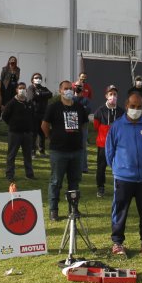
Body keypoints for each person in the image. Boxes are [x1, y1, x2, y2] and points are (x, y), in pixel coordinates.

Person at [105, 91, 142, 257]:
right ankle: (117, 243)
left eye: (139, 107)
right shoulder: (117, 126)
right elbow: (109, 152)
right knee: (120, 211)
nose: (135, 109)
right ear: (127, 106)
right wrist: (119, 169)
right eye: (132, 106)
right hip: (123, 178)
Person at [41, 80, 88, 221]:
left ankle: (73, 209)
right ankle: (53, 210)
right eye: (65, 88)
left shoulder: (79, 107)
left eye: (70, 89)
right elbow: (44, 125)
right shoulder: (53, 107)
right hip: (58, 151)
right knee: (56, 181)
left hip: (76, 151)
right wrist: (50, 137)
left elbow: (84, 124)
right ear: (60, 90)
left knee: (74, 181)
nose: (68, 91)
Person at [93, 85, 125, 198]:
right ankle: (100, 187)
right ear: (106, 96)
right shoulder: (100, 110)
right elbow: (96, 125)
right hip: (103, 144)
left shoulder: (121, 111)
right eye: (110, 94)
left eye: (115, 94)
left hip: (118, 144)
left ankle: (119, 186)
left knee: (119, 166)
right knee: (101, 167)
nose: (113, 96)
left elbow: (124, 126)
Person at [1, 81, 36, 181]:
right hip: (15, 133)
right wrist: (13, 124)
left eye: (24, 88)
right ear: (16, 90)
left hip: (27, 133)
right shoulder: (12, 103)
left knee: (28, 155)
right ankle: (9, 175)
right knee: (12, 155)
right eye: (20, 88)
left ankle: (29, 174)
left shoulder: (29, 103)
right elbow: (4, 116)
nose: (22, 90)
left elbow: (33, 116)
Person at [27, 73, 53, 157]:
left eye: (39, 77)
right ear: (32, 79)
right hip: (33, 113)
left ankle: (42, 151)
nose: (38, 79)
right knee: (33, 133)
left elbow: (50, 94)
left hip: (43, 114)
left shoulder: (43, 88)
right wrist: (42, 95)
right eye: (36, 77)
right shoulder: (31, 88)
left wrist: (40, 94)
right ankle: (32, 152)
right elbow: (31, 97)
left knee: (42, 133)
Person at [73, 84, 92, 174]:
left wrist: (79, 109)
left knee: (83, 146)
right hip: (73, 123)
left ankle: (84, 167)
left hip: (83, 124)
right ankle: (74, 166)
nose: (78, 92)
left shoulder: (86, 100)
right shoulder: (72, 99)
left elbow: (88, 110)